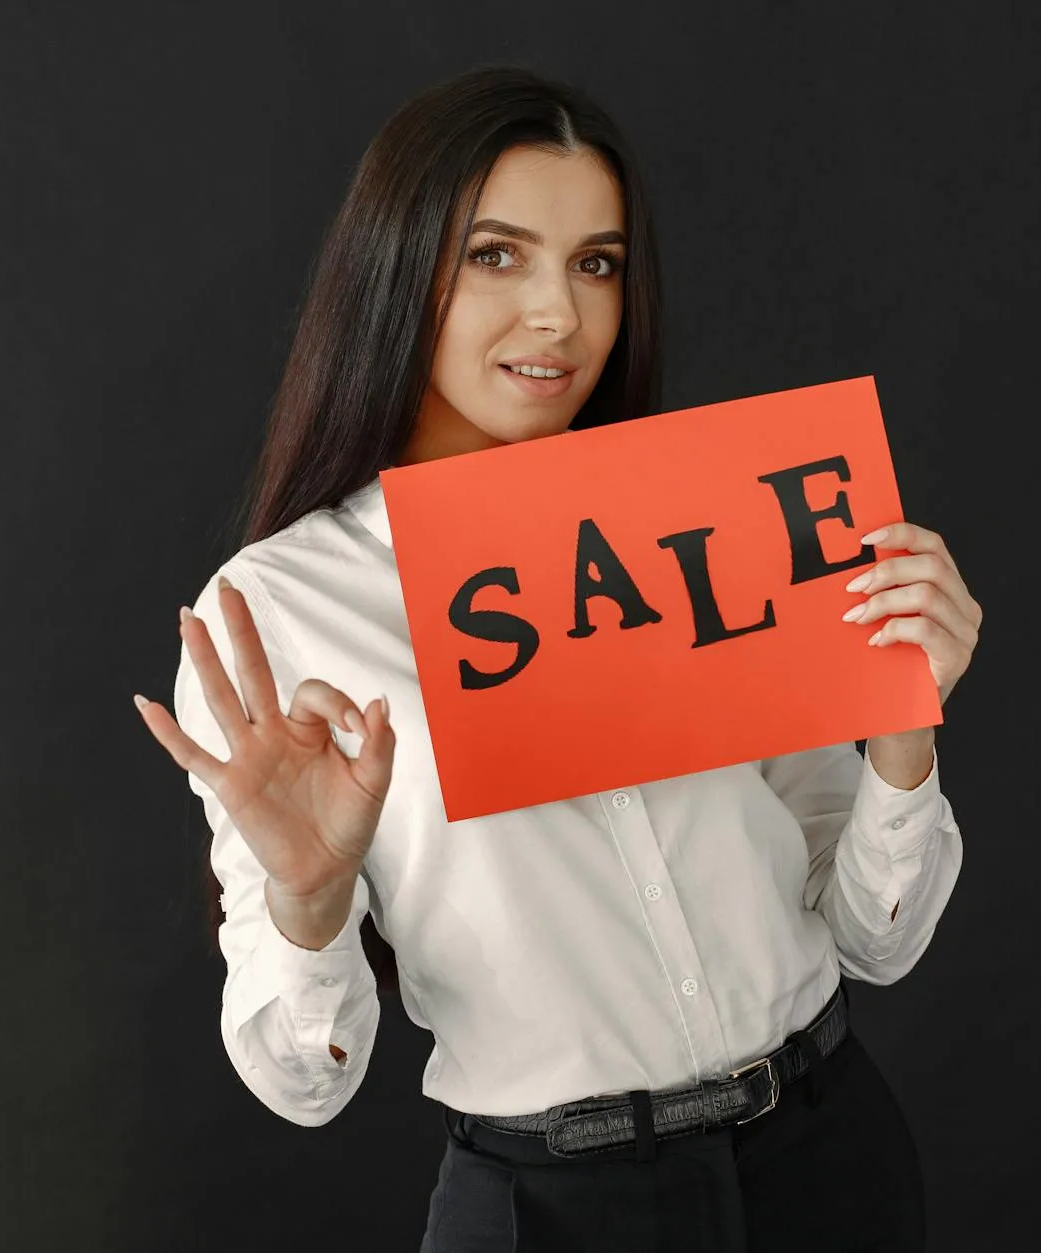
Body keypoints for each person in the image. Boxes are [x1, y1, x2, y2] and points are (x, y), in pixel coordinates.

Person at [132, 63, 980, 1253]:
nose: (558, 316)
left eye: (596, 262)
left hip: (824, 1161)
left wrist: (899, 728)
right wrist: (309, 894)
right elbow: (301, 1078)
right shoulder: (279, 613)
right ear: (397, 265)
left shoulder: (712, 520)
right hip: (557, 1212)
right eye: (495, 254)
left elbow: (873, 939)